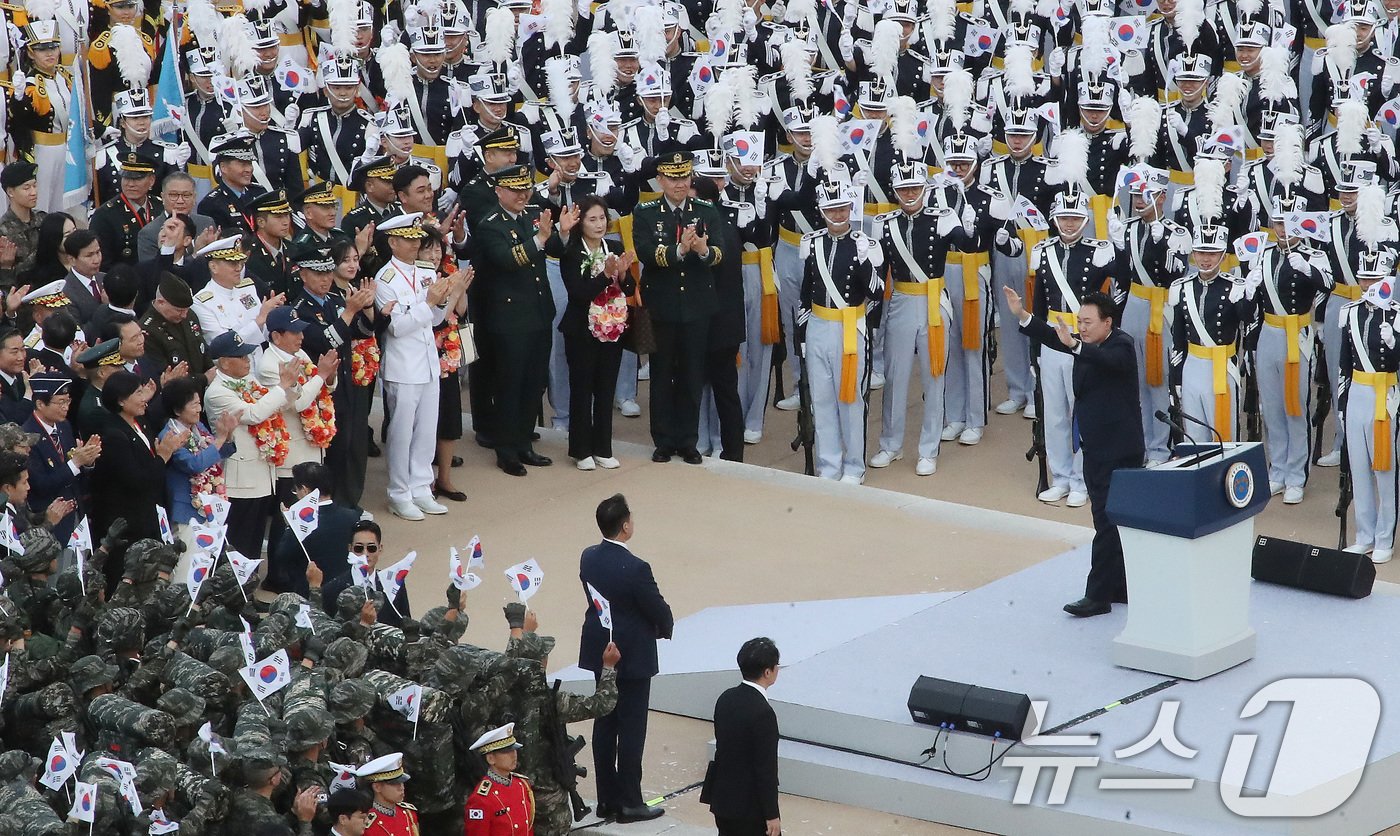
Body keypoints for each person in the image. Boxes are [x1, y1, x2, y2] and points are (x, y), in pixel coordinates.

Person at [1004, 286, 1146, 617]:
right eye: (1079, 322)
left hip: (1119, 450)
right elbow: (1057, 337)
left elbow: (1104, 360)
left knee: (1108, 523)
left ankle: (1098, 595)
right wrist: (1023, 315)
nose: (1081, 327)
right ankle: (1120, 586)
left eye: (1087, 322)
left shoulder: (1120, 345)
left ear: (1107, 323)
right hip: (1095, 447)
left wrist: (1076, 344)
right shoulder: (1085, 345)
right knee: (1111, 521)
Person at [578, 493, 673, 823]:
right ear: (625, 526)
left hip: (600, 648)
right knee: (631, 729)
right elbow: (655, 606)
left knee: (605, 723)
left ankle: (607, 799)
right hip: (631, 655)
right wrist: (665, 626)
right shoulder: (636, 568)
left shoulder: (588, 557)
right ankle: (631, 801)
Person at [373, 212, 467, 519]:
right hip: (403, 365)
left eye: (417, 239)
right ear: (393, 242)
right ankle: (399, 492)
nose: (416, 246)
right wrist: (428, 303)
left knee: (427, 430)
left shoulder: (425, 272)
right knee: (402, 432)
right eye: (409, 240)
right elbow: (396, 327)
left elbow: (437, 320)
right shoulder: (385, 279)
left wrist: (445, 297)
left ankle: (422, 487)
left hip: (427, 363)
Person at [632, 151, 723, 465]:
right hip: (662, 305)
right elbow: (645, 252)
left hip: (697, 306)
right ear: (660, 180)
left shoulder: (706, 210)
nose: (680, 184)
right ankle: (663, 439)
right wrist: (679, 250)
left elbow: (719, 254)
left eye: (684, 177)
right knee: (661, 374)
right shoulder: (646, 212)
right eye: (673, 178)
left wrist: (702, 249)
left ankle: (688, 440)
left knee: (691, 374)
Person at [475, 164, 560, 477]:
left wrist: (559, 234)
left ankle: (524, 442)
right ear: (499, 191)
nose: (522, 194)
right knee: (510, 383)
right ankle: (506, 449)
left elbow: (553, 248)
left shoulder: (532, 215)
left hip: (538, 311)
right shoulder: (490, 224)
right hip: (509, 317)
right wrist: (539, 240)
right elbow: (507, 260)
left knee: (533, 382)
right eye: (514, 189)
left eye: (525, 188)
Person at [203, 331, 300, 560]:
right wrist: (281, 386)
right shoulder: (217, 392)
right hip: (241, 480)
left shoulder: (247, 380)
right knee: (239, 543)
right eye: (242, 357)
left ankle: (248, 590)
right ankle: (233, 593)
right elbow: (254, 413)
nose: (248, 361)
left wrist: (290, 384)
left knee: (254, 542)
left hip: (262, 474)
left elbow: (279, 405)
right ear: (225, 363)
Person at [87, 370, 184, 591]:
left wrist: (162, 455)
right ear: (121, 400)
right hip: (126, 525)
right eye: (138, 393)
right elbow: (136, 479)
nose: (144, 398)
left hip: (147, 517)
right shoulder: (113, 434)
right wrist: (163, 457)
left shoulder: (140, 424)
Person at [558, 195, 633, 470]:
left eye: (602, 218)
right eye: (592, 219)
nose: (599, 224)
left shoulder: (613, 246)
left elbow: (629, 289)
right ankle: (581, 449)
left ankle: (603, 447)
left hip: (612, 329)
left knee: (605, 388)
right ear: (581, 223)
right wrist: (604, 275)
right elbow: (578, 293)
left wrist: (623, 275)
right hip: (581, 330)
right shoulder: (573, 251)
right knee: (582, 388)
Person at [703, 637, 781, 836]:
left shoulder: (726, 698)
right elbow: (765, 768)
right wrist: (772, 814)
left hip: (722, 801)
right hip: (750, 809)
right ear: (767, 672)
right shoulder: (763, 713)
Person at [268, 462, 363, 596]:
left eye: (296, 489)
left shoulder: (301, 524)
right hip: (346, 592)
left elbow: (282, 556)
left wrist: (290, 525)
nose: (296, 494)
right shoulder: (352, 516)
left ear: (305, 490)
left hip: (310, 594)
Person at [160, 374, 236, 535]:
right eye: (193, 405)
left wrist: (228, 435)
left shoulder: (198, 427)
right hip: (186, 510)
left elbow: (219, 453)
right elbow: (194, 465)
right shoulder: (169, 435)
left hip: (209, 503)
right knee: (188, 559)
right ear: (177, 410)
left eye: (199, 404)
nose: (199, 410)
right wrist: (221, 437)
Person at [464, 723, 536, 835]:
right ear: (491, 758)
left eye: (514, 749)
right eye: (506, 751)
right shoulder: (481, 800)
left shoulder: (521, 785)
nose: (514, 755)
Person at [356, 752, 419, 836]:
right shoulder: (365, 823)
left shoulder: (409, 813)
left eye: (402, 782)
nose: (401, 788)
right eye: (394, 784)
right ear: (377, 787)